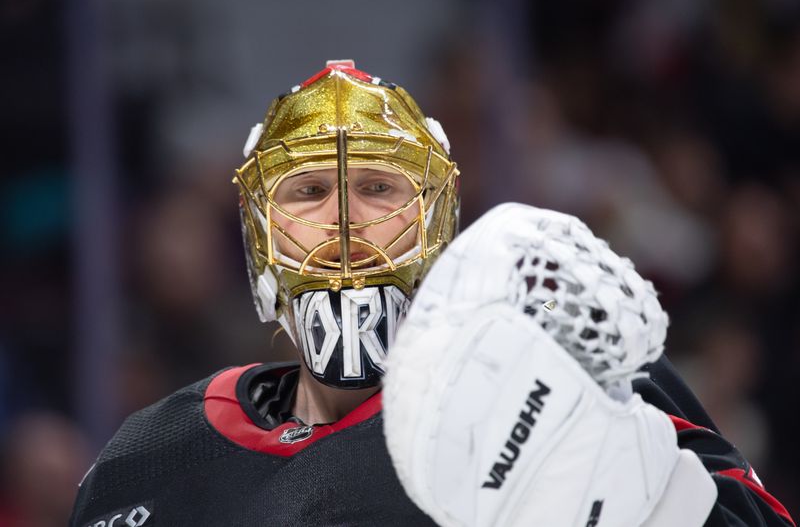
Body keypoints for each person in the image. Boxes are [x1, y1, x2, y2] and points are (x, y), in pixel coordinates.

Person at [70, 61, 794, 526]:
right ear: (261, 234)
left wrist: (663, 496)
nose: (345, 220)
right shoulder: (144, 458)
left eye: (379, 188)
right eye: (310, 190)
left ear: (438, 220)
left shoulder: (562, 364)